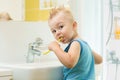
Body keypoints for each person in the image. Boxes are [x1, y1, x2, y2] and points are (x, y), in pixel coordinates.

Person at [48, 6, 102, 80]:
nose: (57, 33)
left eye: (61, 27)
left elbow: (69, 62)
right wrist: (88, 52)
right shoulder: (84, 45)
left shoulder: (75, 43)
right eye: (54, 31)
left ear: (74, 25)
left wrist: (55, 48)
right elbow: (99, 60)